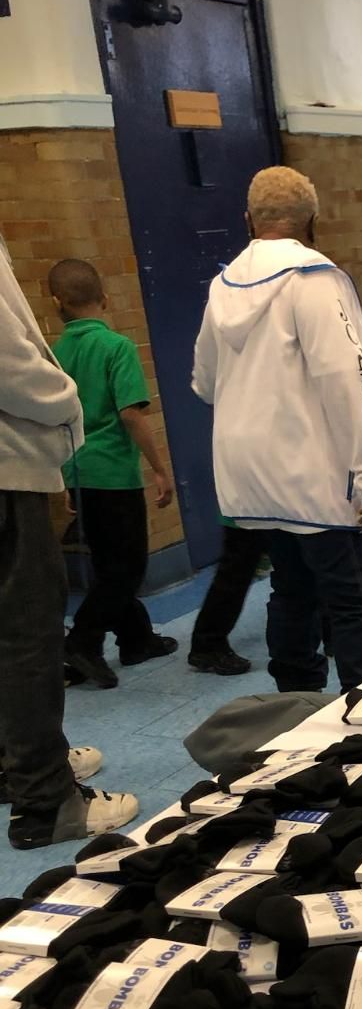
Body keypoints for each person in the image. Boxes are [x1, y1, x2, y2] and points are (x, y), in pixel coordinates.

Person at [191, 165, 362, 693]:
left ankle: (295, 705)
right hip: (310, 470)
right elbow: (350, 380)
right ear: (313, 221)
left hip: (249, 474)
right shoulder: (315, 281)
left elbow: (204, 383)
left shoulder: (222, 286)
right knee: (357, 599)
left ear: (248, 219)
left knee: (291, 588)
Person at [0, 239, 137, 848]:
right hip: (7, 472)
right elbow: (10, 363)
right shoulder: (113, 347)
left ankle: (19, 761)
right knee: (27, 632)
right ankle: (45, 798)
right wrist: (66, 403)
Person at [49, 259, 177, 689]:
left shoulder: (54, 355)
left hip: (76, 471)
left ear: (56, 304)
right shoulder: (117, 347)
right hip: (113, 475)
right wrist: (159, 469)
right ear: (104, 299)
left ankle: (136, 639)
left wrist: (63, 477)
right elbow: (131, 414)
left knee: (108, 564)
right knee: (127, 568)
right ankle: (81, 642)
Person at [187, 521, 269, 675]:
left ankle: (208, 641)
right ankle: (208, 644)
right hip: (246, 514)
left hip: (257, 514)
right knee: (237, 566)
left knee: (239, 565)